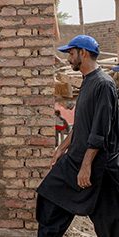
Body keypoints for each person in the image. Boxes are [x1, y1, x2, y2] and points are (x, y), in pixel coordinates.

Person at [36, 35, 119, 237]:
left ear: (83, 53)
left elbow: (100, 130)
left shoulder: (103, 84)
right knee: (49, 202)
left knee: (109, 224)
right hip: (76, 160)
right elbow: (82, 124)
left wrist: (86, 166)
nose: (68, 58)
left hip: (99, 165)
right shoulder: (88, 81)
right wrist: (61, 148)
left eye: (71, 54)